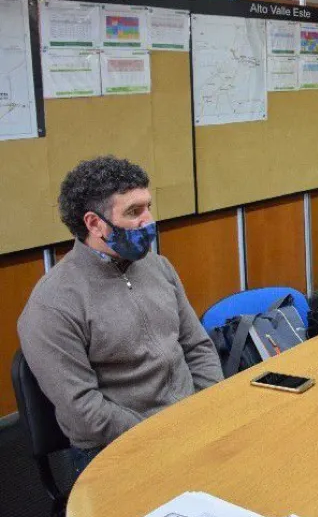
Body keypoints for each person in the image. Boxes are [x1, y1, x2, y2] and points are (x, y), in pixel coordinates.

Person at [17, 156, 223, 479]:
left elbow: (197, 346)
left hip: (188, 422)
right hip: (116, 448)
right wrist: (163, 437)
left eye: (148, 207)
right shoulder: (53, 304)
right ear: (94, 223)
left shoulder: (158, 267)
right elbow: (85, 412)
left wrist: (209, 407)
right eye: (133, 212)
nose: (148, 221)